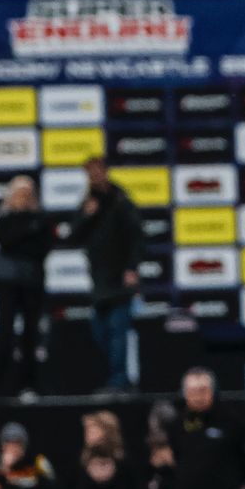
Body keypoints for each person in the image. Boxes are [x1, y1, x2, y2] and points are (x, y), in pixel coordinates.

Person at [65, 156, 143, 392]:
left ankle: (120, 381)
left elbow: (137, 237)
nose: (94, 176)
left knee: (118, 332)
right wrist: (87, 215)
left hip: (120, 279)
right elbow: (74, 236)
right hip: (99, 281)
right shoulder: (88, 202)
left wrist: (132, 267)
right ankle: (113, 378)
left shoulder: (121, 200)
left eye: (97, 171)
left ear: (106, 171)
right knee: (100, 332)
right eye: (90, 173)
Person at [0, 175, 55, 397]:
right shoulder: (5, 218)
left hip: (32, 282)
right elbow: (5, 240)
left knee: (31, 333)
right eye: (20, 194)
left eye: (28, 194)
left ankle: (29, 383)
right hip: (6, 283)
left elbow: (42, 249)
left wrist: (24, 235)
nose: (24, 199)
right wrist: (28, 229)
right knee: (5, 331)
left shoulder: (42, 219)